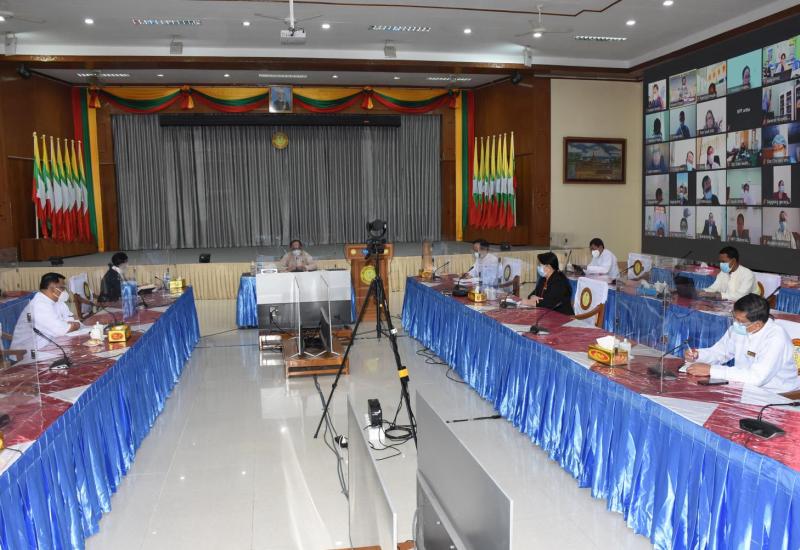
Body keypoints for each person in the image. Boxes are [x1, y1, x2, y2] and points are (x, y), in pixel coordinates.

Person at [685, 294, 800, 393]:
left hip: (776, 394)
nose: (736, 323)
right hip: (744, 386)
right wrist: (698, 355)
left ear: (758, 324)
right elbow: (720, 352)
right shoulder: (740, 329)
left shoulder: (775, 338)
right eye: (735, 318)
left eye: (740, 321)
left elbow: (757, 378)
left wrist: (712, 370)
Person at [10, 272, 81, 351]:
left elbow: (73, 318)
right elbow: (62, 330)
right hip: (33, 353)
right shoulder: (39, 305)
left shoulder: (58, 301)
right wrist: (74, 325)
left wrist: (69, 324)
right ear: (52, 288)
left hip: (53, 345)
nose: (64, 291)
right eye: (62, 288)